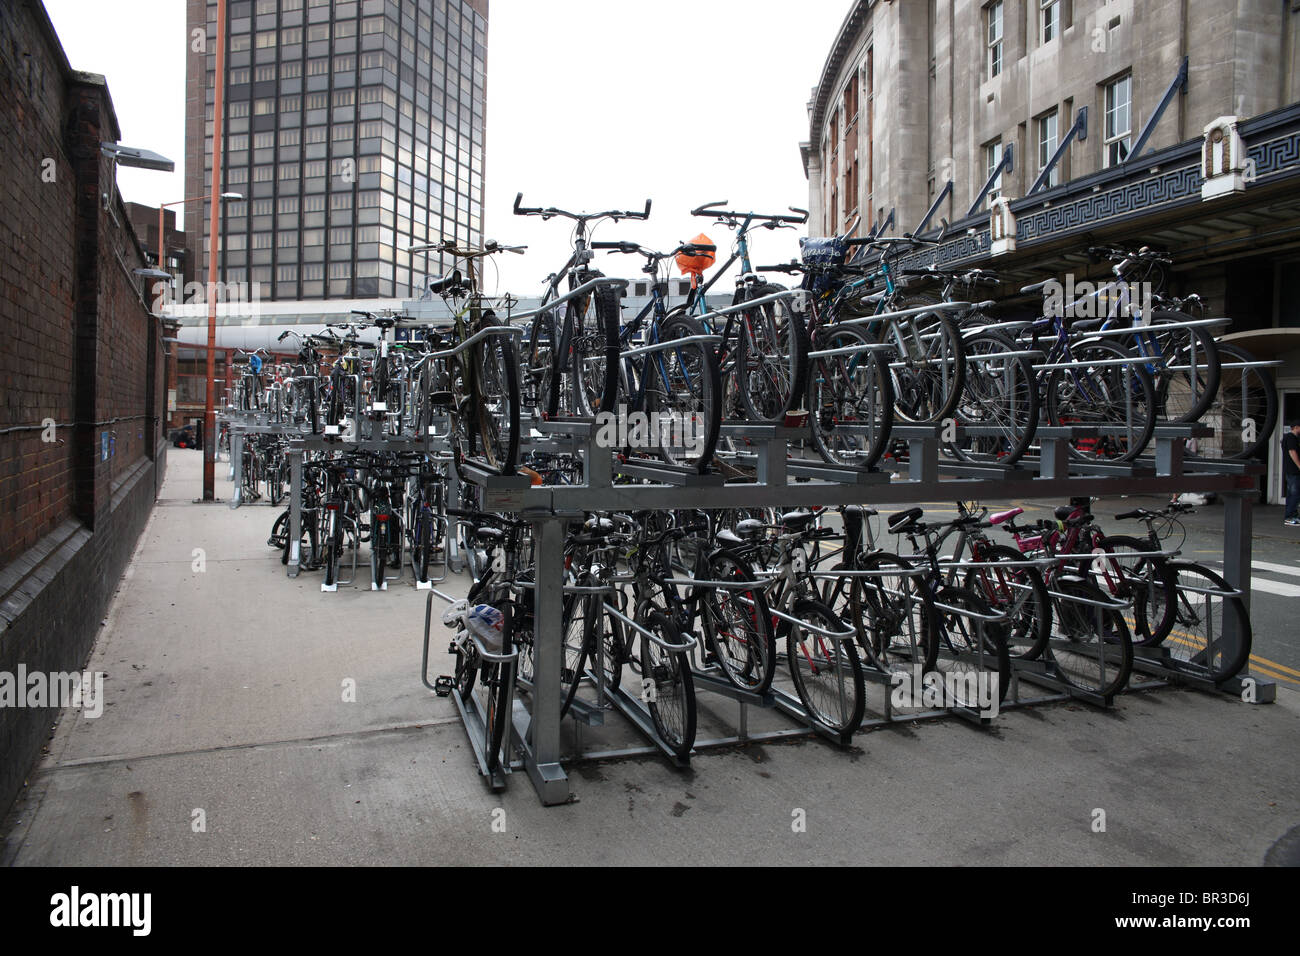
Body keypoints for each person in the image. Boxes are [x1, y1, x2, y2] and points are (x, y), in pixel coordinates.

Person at [1284, 422, 1300, 527]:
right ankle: (1290, 516)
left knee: (1291, 493)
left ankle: (1290, 515)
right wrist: (1299, 465)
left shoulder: (1289, 437)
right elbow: (1292, 452)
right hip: (1293, 470)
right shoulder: (1291, 437)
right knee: (1295, 494)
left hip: (1291, 470)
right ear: (1296, 427)